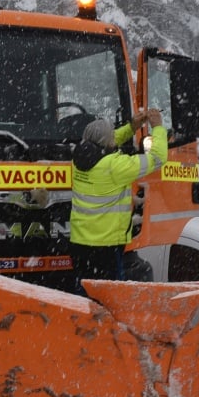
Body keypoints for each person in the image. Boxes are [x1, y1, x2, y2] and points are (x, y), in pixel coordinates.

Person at [69, 108, 166, 282]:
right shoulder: (116, 167)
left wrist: (132, 127)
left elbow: (106, 141)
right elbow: (158, 158)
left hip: (80, 242)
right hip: (106, 245)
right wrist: (158, 127)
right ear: (107, 142)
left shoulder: (77, 161)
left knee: (83, 287)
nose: (114, 137)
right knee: (108, 291)